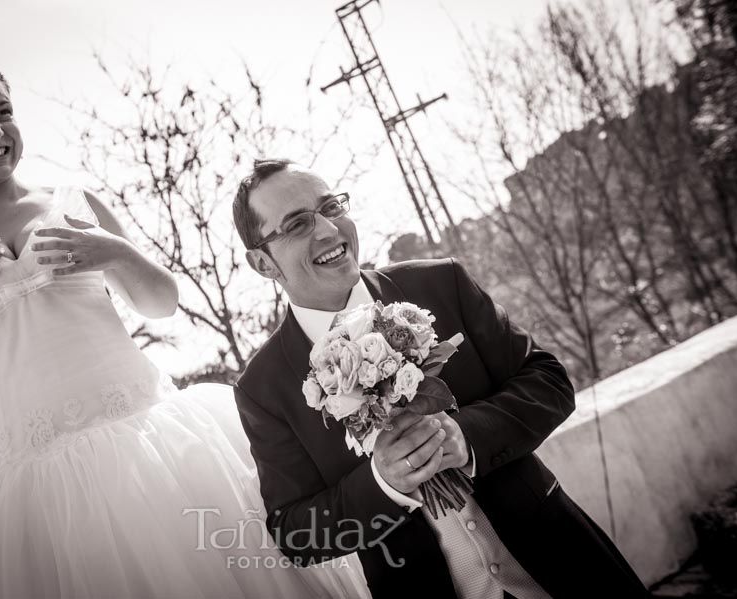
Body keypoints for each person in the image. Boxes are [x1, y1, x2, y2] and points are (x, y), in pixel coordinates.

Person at [0, 46, 370, 599]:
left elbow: (161, 302)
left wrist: (113, 253)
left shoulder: (75, 203)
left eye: (3, 111)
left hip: (149, 440)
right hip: (26, 479)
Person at [231, 159, 651, 599]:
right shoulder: (263, 388)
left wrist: (466, 436)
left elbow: (549, 380)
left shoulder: (440, 283)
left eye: (332, 207)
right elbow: (297, 532)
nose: (328, 230)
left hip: (564, 562)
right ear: (263, 262)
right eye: (298, 224)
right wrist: (383, 484)